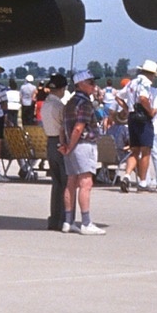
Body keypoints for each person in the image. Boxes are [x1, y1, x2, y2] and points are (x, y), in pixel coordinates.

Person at [60, 70, 105, 235]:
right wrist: (71, 145)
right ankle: (86, 222)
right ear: (80, 85)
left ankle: (68, 220)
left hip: (71, 146)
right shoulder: (84, 104)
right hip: (83, 145)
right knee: (86, 183)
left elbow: (62, 127)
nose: (94, 86)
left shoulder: (69, 103)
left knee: (71, 182)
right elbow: (79, 128)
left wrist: (64, 145)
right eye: (91, 82)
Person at [118, 60, 157, 192]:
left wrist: (127, 109)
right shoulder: (146, 84)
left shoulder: (132, 82)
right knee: (145, 150)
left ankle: (126, 175)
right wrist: (150, 111)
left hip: (132, 117)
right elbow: (143, 98)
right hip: (143, 119)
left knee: (134, 149)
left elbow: (118, 96)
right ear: (151, 74)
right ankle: (142, 182)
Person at [39, 74, 69, 232]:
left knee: (56, 183)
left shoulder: (45, 104)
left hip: (50, 141)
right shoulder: (59, 106)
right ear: (62, 89)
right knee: (65, 182)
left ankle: (54, 218)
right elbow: (64, 127)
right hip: (60, 141)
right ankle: (64, 218)